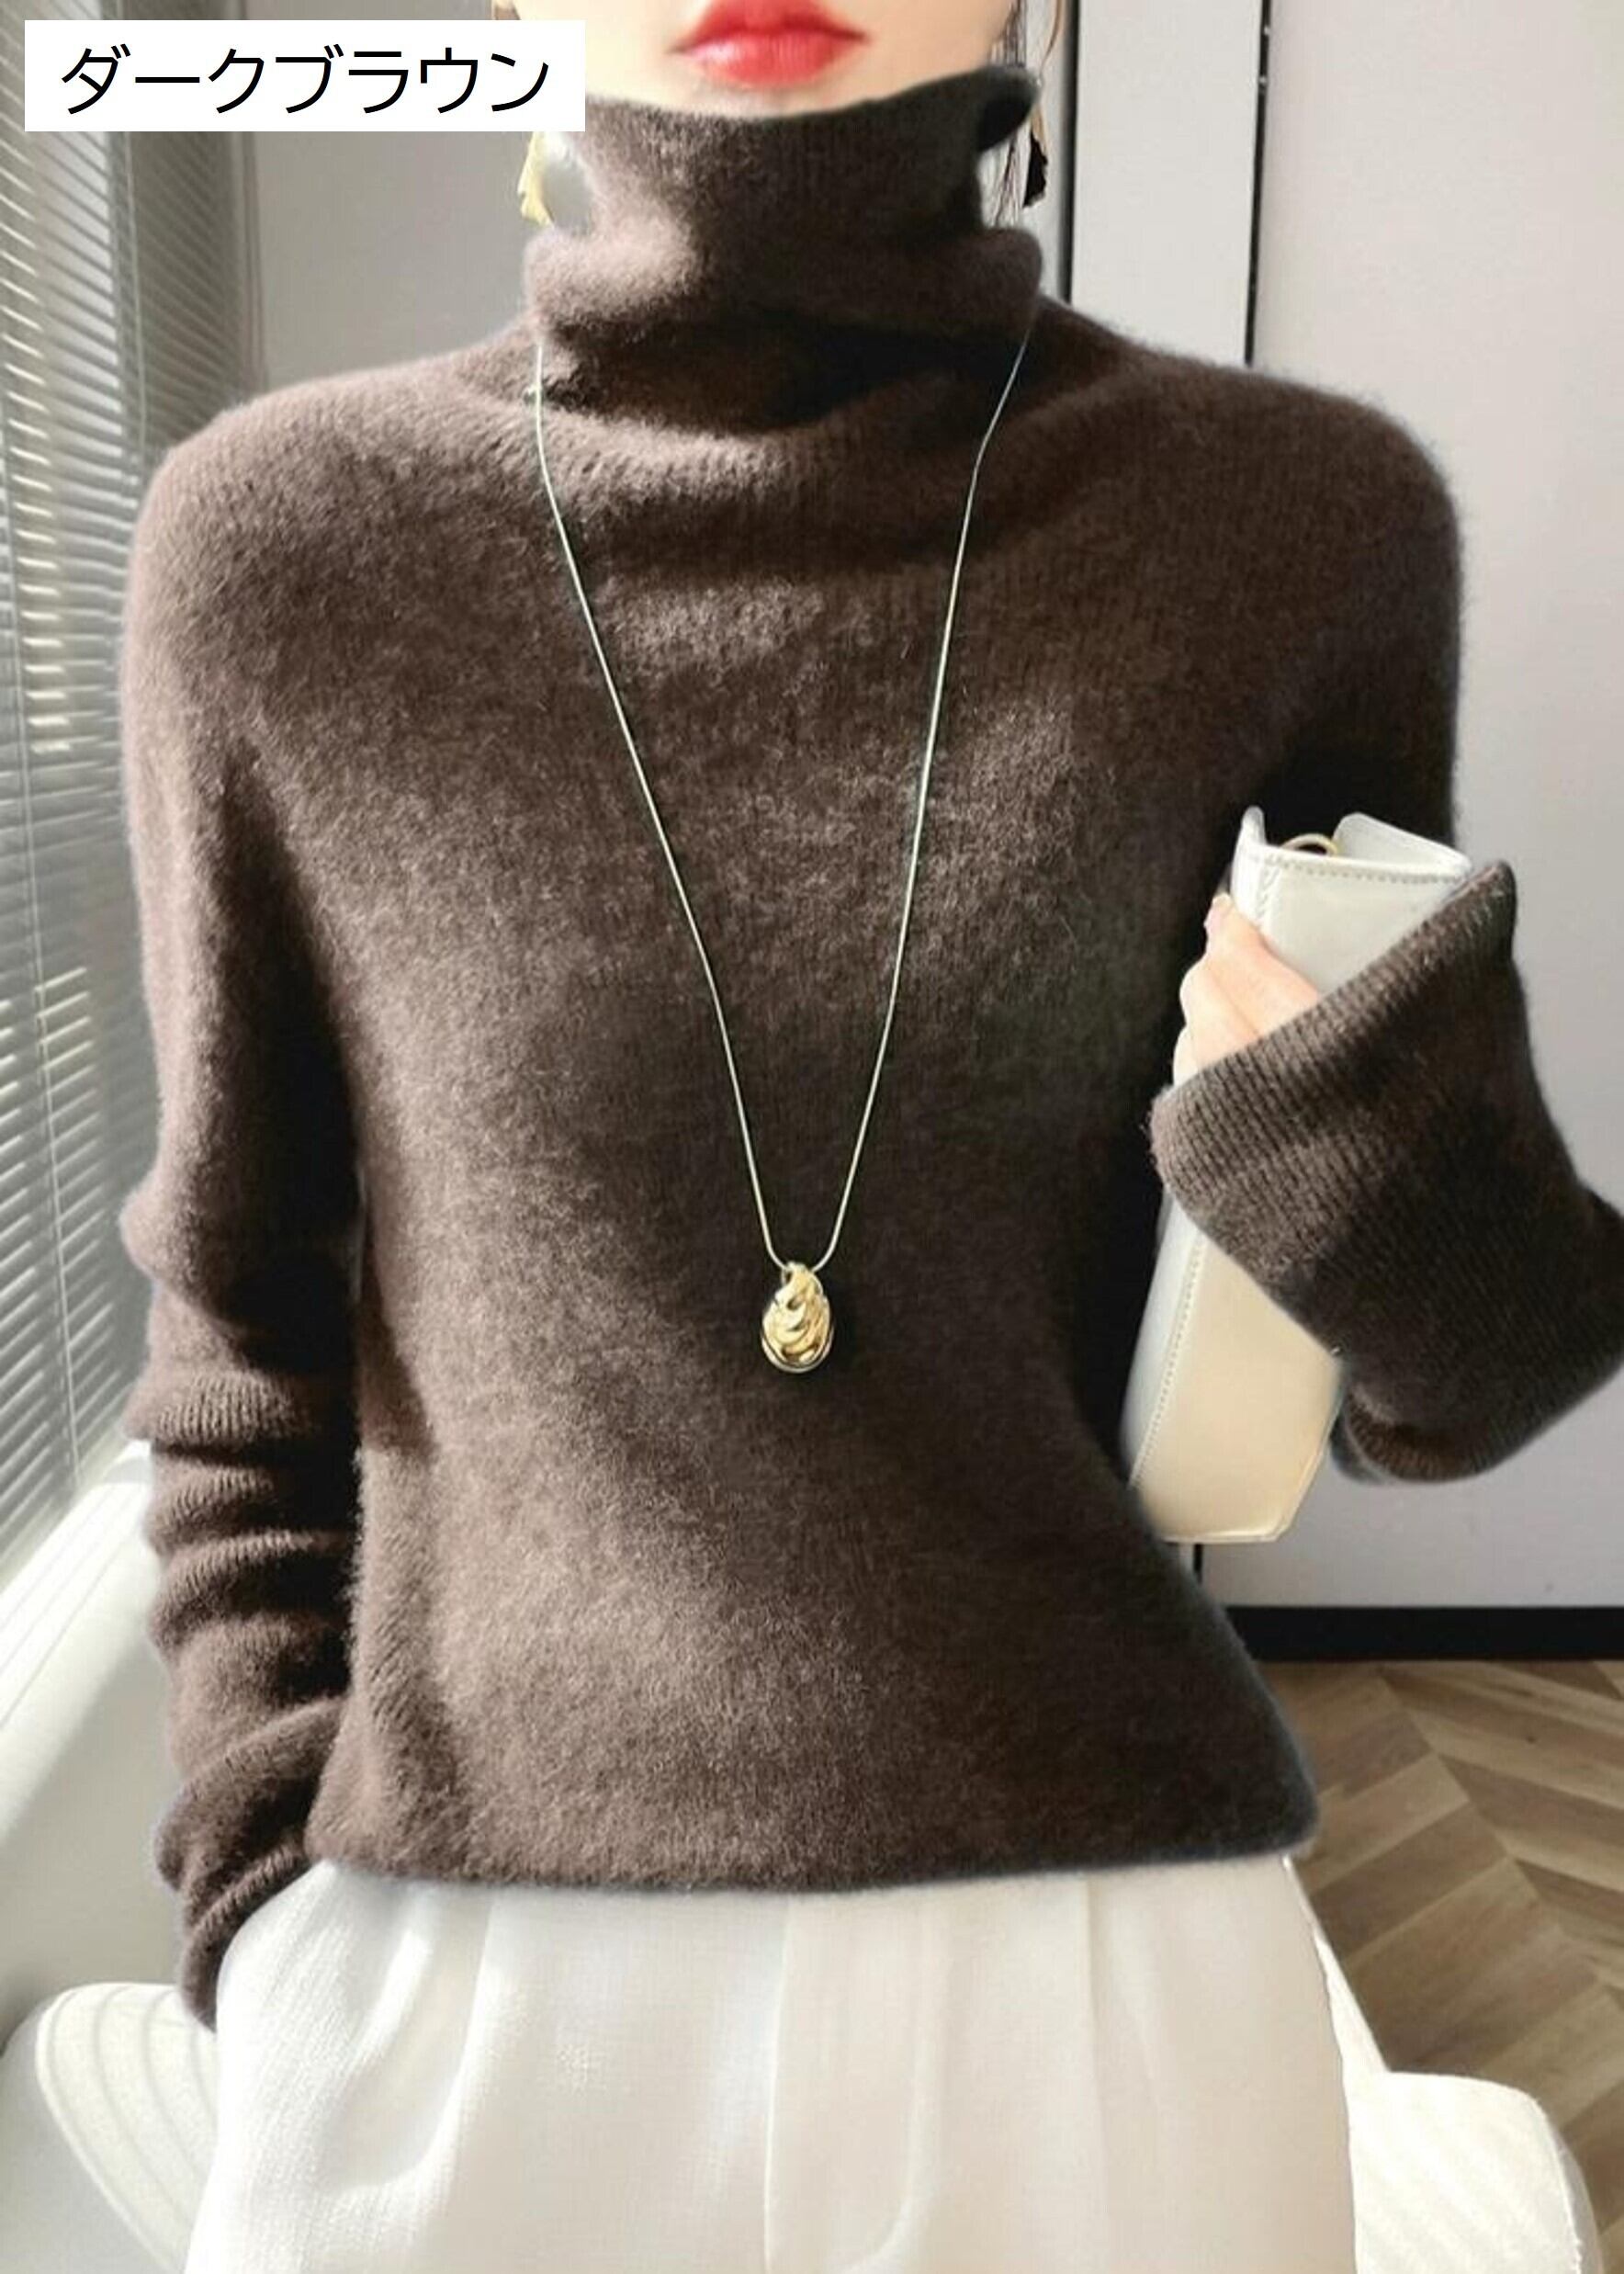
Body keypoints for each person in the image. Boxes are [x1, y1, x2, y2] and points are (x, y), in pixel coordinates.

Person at [114, 3, 1624, 2268]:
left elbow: (1467, 1370)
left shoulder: (1297, 527)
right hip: (455, 1983)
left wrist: (1346, 1133)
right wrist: (262, 1889)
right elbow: (240, 1315)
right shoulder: (278, 550)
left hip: (1095, 1985)